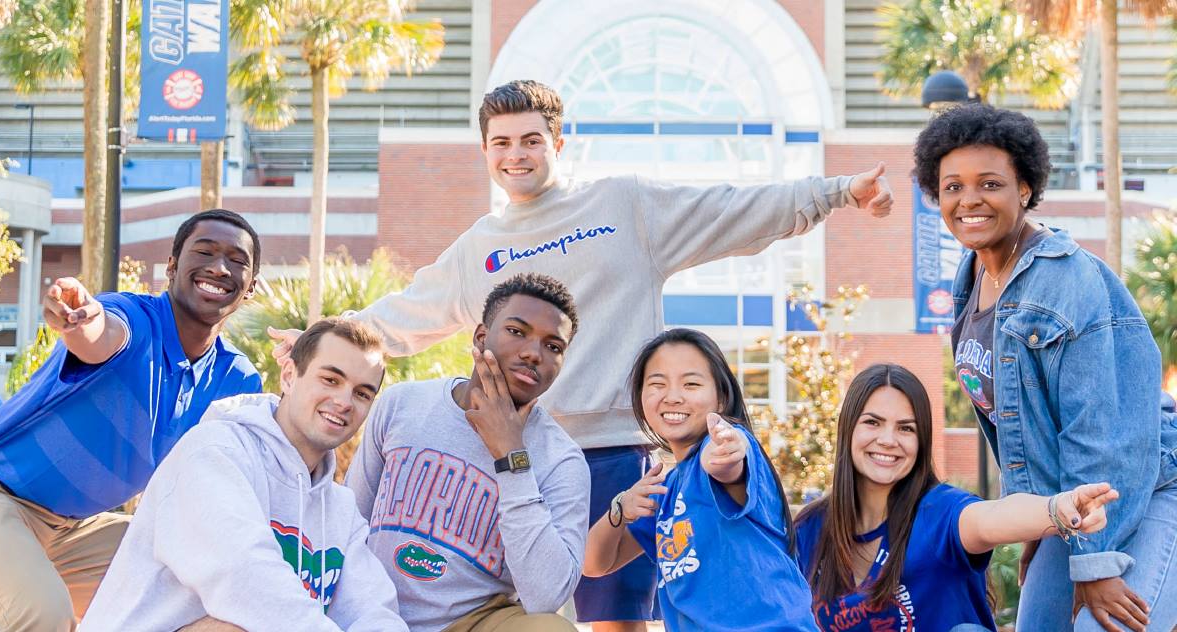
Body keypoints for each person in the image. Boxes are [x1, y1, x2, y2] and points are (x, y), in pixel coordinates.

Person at [271, 79, 894, 632]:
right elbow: (405, 315)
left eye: (531, 140)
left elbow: (731, 210)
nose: (517, 154)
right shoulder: (479, 249)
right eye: (502, 143)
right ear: (486, 152)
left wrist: (836, 192)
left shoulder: (622, 207)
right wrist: (318, 341)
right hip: (521, 457)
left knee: (619, 623)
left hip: (618, 452)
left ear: (558, 144)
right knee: (533, 611)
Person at [913, 103, 1177, 632]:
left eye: (989, 183)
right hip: (1077, 509)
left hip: (1147, 486)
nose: (969, 200)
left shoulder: (1062, 277)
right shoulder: (972, 285)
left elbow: (1101, 432)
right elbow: (1017, 432)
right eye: (952, 187)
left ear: (1026, 189)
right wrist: (1039, 525)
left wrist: (1094, 563)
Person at [0, 209, 264, 631]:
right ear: (172, 267)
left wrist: (309, 367)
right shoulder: (133, 317)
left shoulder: (236, 379)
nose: (219, 267)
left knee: (201, 597)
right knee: (39, 612)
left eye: (236, 261)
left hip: (75, 531)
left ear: (251, 286)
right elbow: (101, 333)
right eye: (204, 252)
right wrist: (81, 319)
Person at [80, 318, 407, 631]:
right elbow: (246, 579)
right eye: (331, 380)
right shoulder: (214, 454)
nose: (344, 401)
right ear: (290, 376)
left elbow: (373, 609)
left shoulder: (340, 511)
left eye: (362, 393)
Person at [795, 363, 1119, 632]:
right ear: (848, 428)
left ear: (921, 441)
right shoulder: (810, 529)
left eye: (906, 428)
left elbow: (990, 519)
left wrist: (1055, 510)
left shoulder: (937, 512)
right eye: (872, 422)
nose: (888, 440)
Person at [346, 273, 588, 632]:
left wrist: (511, 455)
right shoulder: (403, 405)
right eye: (517, 331)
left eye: (553, 346)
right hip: (373, 607)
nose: (533, 353)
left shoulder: (562, 460)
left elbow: (546, 597)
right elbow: (350, 519)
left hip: (472, 622)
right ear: (480, 337)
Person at [583, 328, 815, 632]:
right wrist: (621, 508)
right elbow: (595, 564)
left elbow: (727, 461)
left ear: (721, 396)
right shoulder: (664, 493)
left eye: (691, 384)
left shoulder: (725, 446)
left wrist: (725, 453)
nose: (673, 396)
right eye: (657, 384)